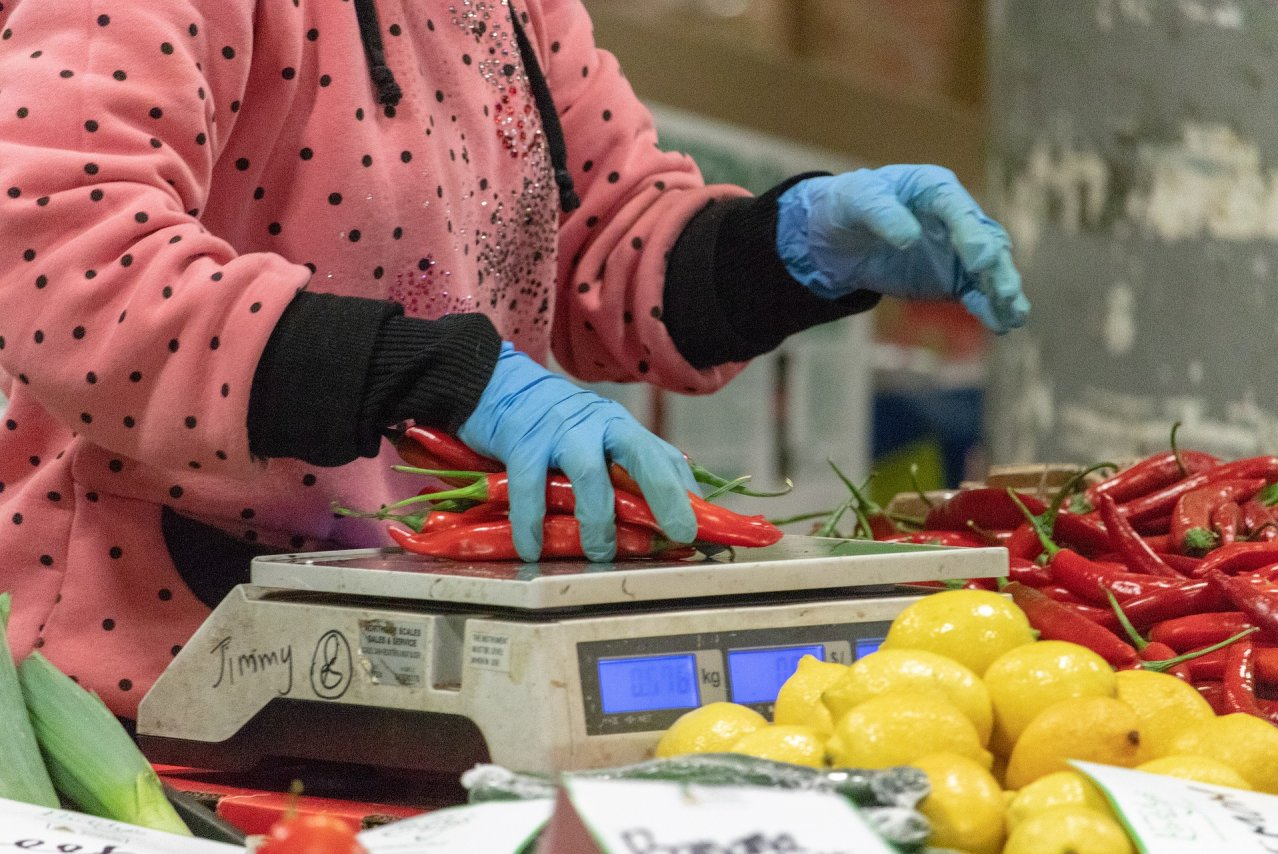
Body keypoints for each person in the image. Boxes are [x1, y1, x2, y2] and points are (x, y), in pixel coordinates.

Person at [0, 0, 1029, 719]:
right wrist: (434, 374)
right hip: (139, 681)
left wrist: (787, 248)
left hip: (401, 651)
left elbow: (599, 239)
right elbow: (63, 252)